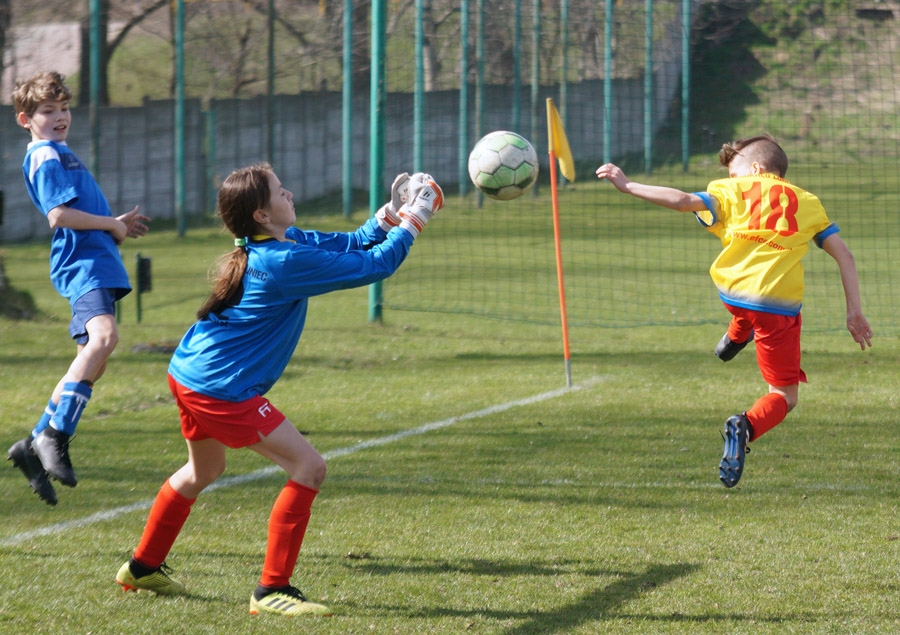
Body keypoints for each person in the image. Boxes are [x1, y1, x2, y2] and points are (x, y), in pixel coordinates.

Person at [114, 164, 443, 618]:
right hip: (219, 388)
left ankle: (141, 566)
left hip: (190, 373)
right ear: (262, 216)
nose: (289, 193)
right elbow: (375, 264)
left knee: (202, 470)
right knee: (309, 467)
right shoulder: (284, 261)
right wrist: (416, 219)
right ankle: (271, 590)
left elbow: (351, 244)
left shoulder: (283, 244)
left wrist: (391, 212)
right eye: (279, 191)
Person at [595, 133, 872, 488]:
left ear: (755, 168)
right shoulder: (808, 202)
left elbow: (681, 200)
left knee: (729, 255)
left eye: (734, 172)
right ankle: (746, 425)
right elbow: (844, 255)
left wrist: (629, 185)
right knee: (784, 397)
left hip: (732, 292)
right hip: (775, 306)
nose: (730, 179)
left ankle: (734, 338)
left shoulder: (730, 191)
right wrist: (854, 311)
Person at [6, 71, 149, 506]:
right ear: (25, 119)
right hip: (82, 263)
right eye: (49, 111)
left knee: (95, 360)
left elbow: (78, 209)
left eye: (64, 108)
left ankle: (31, 446)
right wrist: (109, 224)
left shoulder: (60, 150)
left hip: (98, 260)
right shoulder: (46, 155)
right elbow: (59, 216)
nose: (60, 116)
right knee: (104, 338)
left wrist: (114, 224)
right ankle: (54, 435)